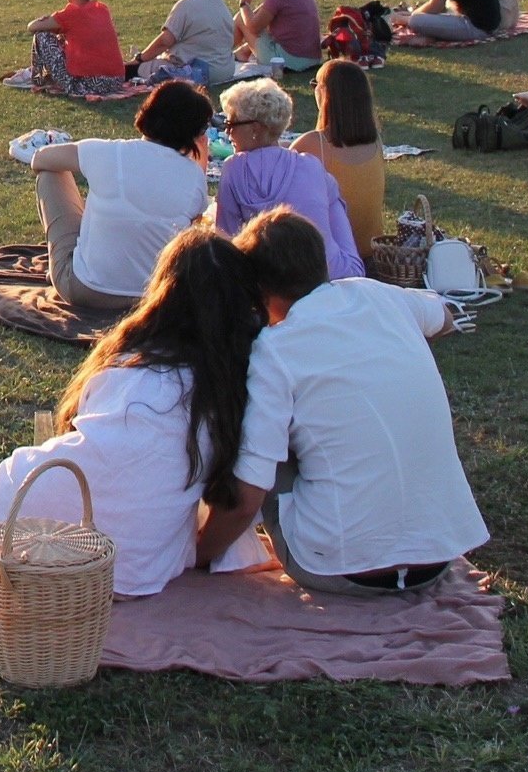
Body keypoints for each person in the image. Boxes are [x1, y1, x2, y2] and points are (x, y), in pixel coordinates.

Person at [0, 228, 268, 596]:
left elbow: (79, 426)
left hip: (46, 509)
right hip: (135, 570)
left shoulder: (126, 361)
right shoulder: (235, 387)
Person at [196, 209, 488, 596]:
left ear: (257, 290)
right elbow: (443, 316)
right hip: (437, 558)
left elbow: (247, 498)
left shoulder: (275, 351)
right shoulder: (382, 296)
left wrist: (196, 556)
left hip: (338, 568)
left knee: (263, 445)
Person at [24, 79, 213, 311]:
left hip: (86, 290)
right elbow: (193, 228)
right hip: (155, 298)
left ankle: (64, 264)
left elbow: (40, 159)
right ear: (195, 134)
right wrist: (199, 167)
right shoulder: (193, 177)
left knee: (49, 174)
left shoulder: (110, 151)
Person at [211, 79, 365, 278]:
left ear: (256, 129)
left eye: (231, 123)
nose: (227, 131)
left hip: (274, 284)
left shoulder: (234, 168)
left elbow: (225, 241)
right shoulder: (311, 165)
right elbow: (339, 228)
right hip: (333, 276)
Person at [292, 59, 387, 262]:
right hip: (372, 252)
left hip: (335, 260)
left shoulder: (314, 143)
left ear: (326, 93)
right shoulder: (376, 140)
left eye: (315, 85)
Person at [129, 0, 236, 87]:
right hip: (226, 70)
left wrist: (140, 58)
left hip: (201, 72)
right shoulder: (221, 5)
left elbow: (165, 42)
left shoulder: (186, 5)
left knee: (140, 68)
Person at [25, 0, 126, 83]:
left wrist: (44, 21)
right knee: (63, 36)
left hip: (88, 84)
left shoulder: (71, 14)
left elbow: (32, 27)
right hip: (116, 81)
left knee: (41, 37)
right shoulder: (102, 9)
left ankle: (37, 79)